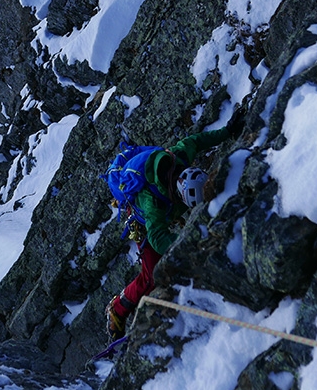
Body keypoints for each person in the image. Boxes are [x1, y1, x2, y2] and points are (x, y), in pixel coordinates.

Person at [105, 108, 245, 340]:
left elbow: (197, 140)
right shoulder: (152, 204)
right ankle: (117, 309)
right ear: (178, 195)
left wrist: (227, 131)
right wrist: (183, 247)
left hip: (163, 213)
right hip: (141, 222)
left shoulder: (178, 157)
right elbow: (158, 237)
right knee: (151, 276)